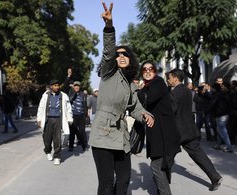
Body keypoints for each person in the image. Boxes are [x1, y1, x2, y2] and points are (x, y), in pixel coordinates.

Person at [88, 2, 154, 195]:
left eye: (125, 54)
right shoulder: (108, 73)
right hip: (103, 133)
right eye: (118, 55)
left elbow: (136, 107)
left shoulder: (131, 84)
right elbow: (108, 51)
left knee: (124, 180)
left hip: (122, 136)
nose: (121, 56)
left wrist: (146, 115)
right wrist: (109, 27)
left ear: (130, 58)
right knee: (107, 183)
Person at [167, 68, 223, 191]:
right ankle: (215, 177)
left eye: (170, 77)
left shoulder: (174, 92)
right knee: (199, 155)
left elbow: (172, 111)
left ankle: (163, 183)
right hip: (189, 129)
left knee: (166, 156)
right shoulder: (188, 91)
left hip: (177, 131)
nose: (168, 80)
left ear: (176, 78)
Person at [137, 62, 181, 195]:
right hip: (157, 132)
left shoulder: (158, 82)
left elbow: (147, 99)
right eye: (144, 69)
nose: (148, 71)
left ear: (155, 71)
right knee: (162, 166)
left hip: (164, 133)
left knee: (156, 167)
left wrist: (138, 90)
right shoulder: (149, 85)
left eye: (151, 69)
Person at [37, 79, 73, 165]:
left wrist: (69, 119)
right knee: (47, 138)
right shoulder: (46, 95)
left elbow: (68, 108)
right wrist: (39, 118)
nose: (57, 87)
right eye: (55, 85)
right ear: (51, 87)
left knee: (57, 139)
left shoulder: (63, 96)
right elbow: (41, 107)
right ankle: (48, 151)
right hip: (48, 119)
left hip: (58, 120)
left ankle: (57, 156)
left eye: (58, 85)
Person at [68, 81, 88, 152]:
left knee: (82, 131)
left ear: (80, 87)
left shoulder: (83, 94)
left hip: (81, 115)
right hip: (73, 115)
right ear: (74, 86)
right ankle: (71, 146)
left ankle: (84, 145)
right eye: (75, 86)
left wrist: (86, 114)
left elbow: (85, 104)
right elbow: (69, 101)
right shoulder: (71, 93)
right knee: (72, 131)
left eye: (78, 86)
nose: (76, 87)